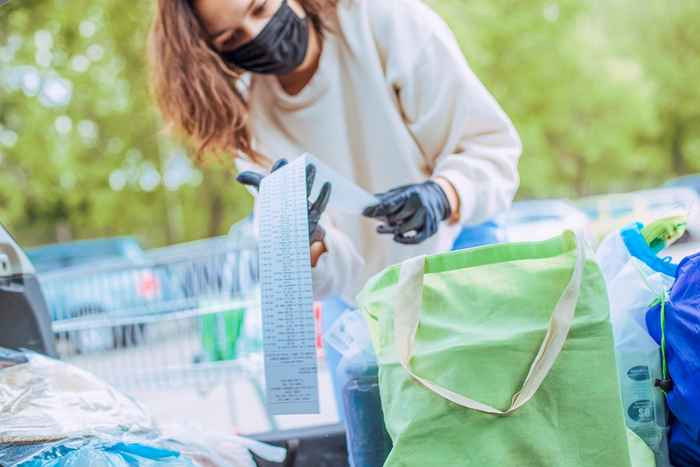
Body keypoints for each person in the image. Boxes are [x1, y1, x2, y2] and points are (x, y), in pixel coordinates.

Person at [148, 0, 521, 438]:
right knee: (375, 438)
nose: (258, 34)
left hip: (461, 252)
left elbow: (490, 149)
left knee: (493, 432)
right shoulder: (249, 121)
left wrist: (444, 193)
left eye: (262, 7)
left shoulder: (384, 23)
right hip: (364, 299)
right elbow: (335, 273)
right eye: (231, 40)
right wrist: (307, 243)